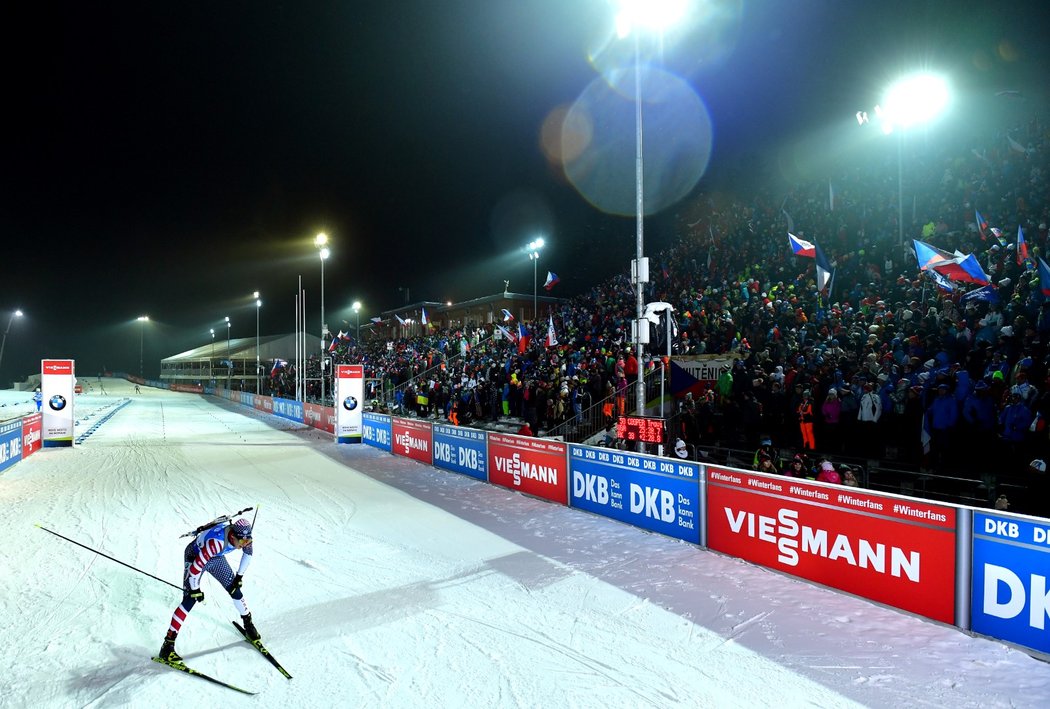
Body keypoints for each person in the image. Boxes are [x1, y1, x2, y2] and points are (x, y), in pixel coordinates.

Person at [159, 518, 257, 662]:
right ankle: (167, 646)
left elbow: (248, 554)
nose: (244, 545)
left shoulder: (244, 537)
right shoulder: (215, 543)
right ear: (232, 536)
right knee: (190, 600)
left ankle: (248, 624)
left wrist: (239, 576)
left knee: (234, 588)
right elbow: (194, 569)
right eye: (241, 542)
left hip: (215, 558)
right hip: (195, 557)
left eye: (247, 542)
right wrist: (195, 589)